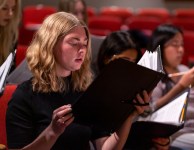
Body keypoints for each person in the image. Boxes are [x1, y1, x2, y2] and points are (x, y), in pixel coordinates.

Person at [6, 12, 150, 150]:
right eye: (74, 43)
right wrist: (52, 132)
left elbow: (104, 147)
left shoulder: (84, 91)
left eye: (85, 43)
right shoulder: (24, 95)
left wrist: (128, 116)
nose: (82, 49)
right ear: (50, 45)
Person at [97, 30, 171, 150]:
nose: (130, 68)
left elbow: (148, 121)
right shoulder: (98, 94)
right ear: (106, 59)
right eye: (125, 61)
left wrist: (162, 141)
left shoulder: (134, 88)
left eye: (134, 62)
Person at [150, 24, 194, 150]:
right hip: (178, 132)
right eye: (175, 44)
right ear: (160, 46)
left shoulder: (185, 70)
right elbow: (152, 110)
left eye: (182, 44)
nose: (181, 50)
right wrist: (181, 86)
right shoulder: (154, 74)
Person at [0, 0, 20, 65]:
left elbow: (11, 68)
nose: (10, 13)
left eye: (13, 9)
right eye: (4, 8)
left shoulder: (11, 34)